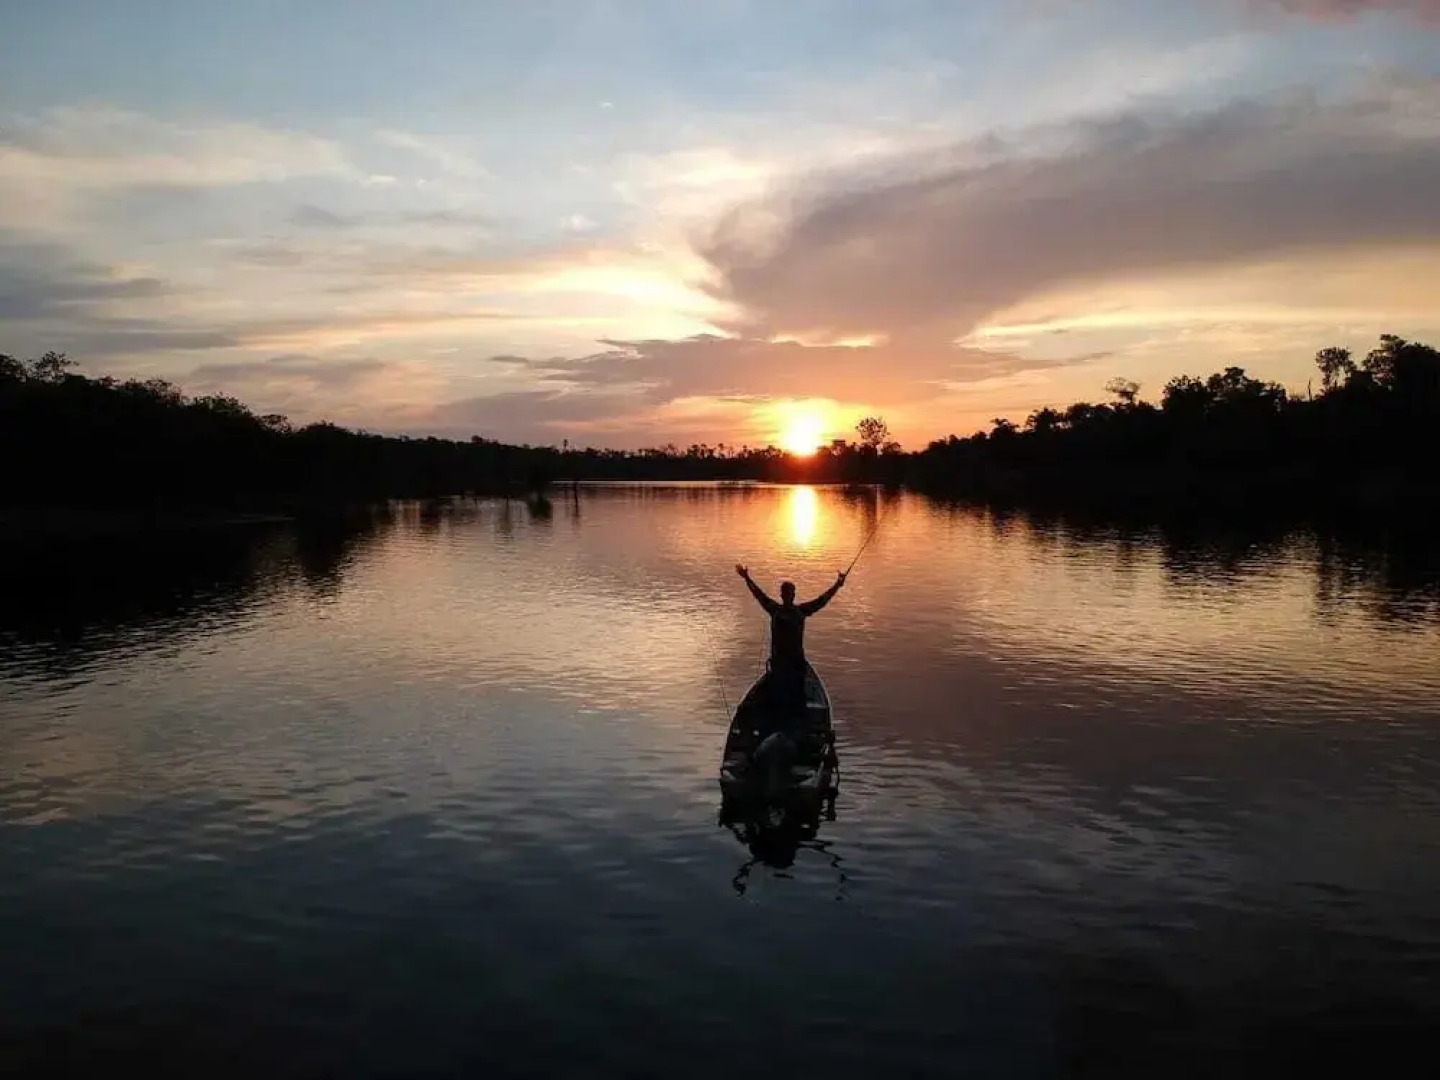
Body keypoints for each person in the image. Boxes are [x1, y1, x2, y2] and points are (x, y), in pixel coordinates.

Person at [735, 564, 847, 722]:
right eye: (788, 593)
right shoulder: (796, 611)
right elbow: (822, 600)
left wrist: (837, 585)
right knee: (794, 703)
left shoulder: (776, 610)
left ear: (786, 595)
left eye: (789, 593)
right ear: (787, 595)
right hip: (788, 666)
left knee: (783, 701)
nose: (788, 595)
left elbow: (758, 594)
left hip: (787, 667)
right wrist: (837, 584)